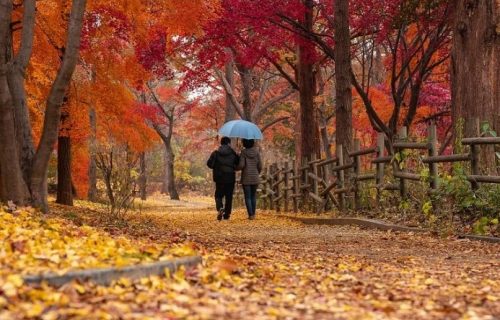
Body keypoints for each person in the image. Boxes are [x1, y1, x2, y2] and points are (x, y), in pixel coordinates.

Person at [207, 137, 239, 221]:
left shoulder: (216, 153)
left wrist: (216, 167)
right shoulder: (232, 153)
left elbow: (209, 164)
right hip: (230, 177)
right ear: (228, 143)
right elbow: (238, 163)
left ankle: (220, 208)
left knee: (218, 195)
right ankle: (227, 215)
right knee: (229, 196)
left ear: (221, 143)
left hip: (219, 177)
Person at [237, 139, 262, 220]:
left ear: (244, 143)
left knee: (247, 197)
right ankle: (253, 214)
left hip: (246, 177)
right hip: (255, 177)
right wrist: (257, 173)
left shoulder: (243, 152)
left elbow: (241, 165)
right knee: (253, 196)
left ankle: (250, 215)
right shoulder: (257, 152)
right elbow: (260, 165)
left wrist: (235, 167)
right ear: (252, 143)